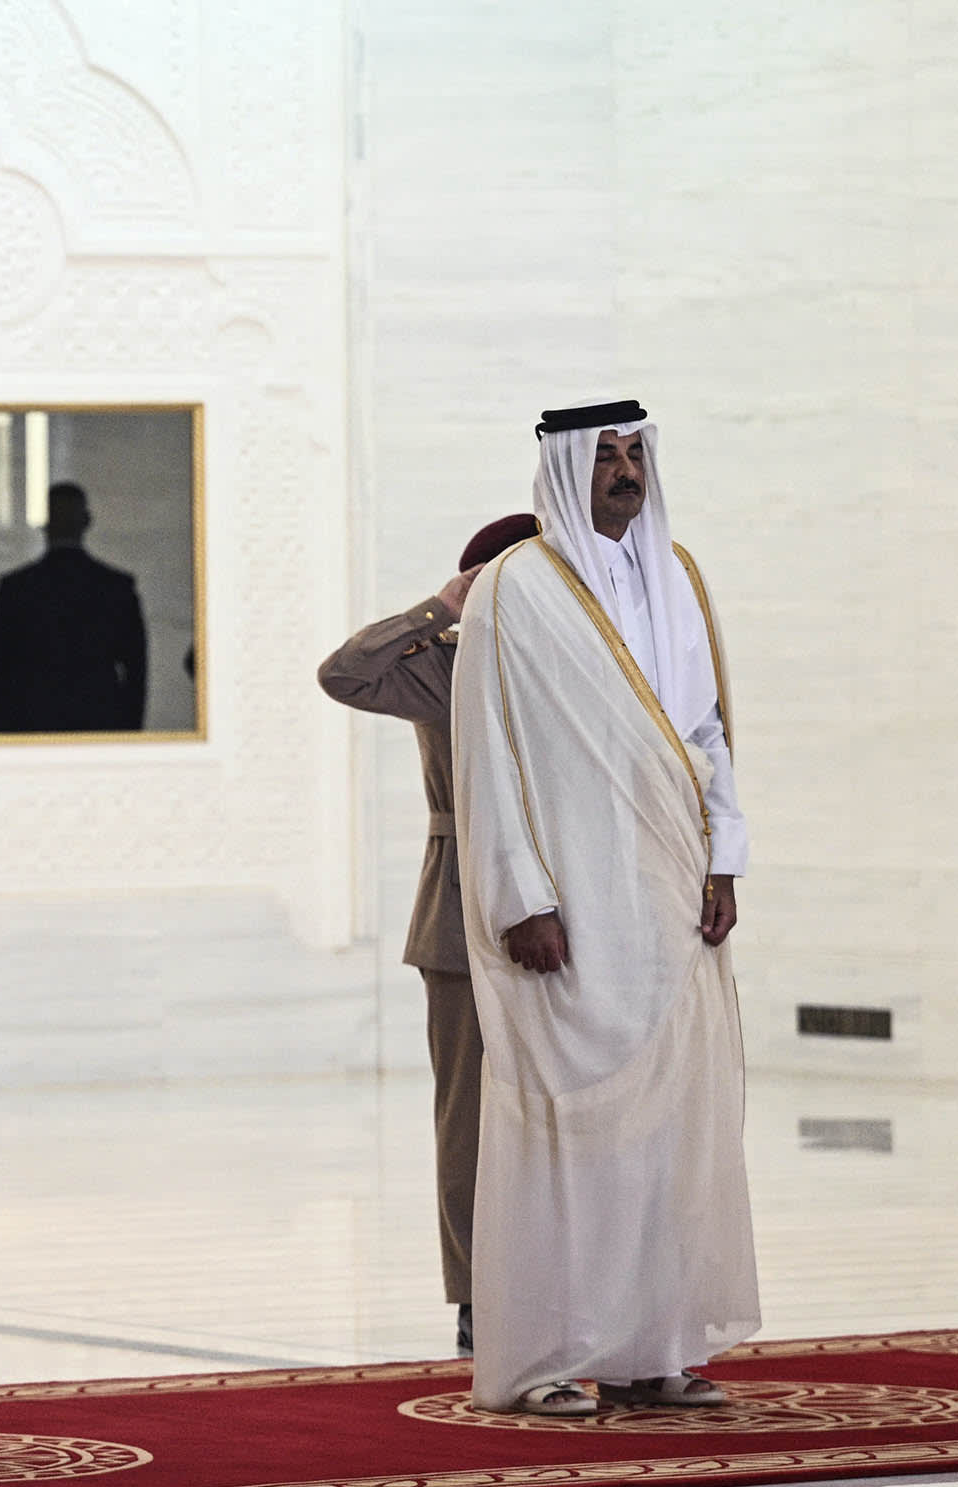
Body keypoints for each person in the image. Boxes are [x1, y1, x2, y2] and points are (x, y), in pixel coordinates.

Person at [453, 400, 755, 1416]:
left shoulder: (679, 577)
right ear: (564, 467)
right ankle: (541, 1355)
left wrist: (723, 859)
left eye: (635, 454)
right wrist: (520, 895)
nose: (625, 471)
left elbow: (706, 734)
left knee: (669, 1123)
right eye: (605, 457)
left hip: (669, 889)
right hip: (568, 896)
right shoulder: (513, 590)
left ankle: (649, 1348)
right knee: (565, 1124)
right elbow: (487, 752)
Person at [317, 512, 536, 1356]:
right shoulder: (445, 666)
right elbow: (344, 673)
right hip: (459, 908)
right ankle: (477, 1291)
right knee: (468, 1118)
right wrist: (438, 608)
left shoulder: (571, 665)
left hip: (574, 910)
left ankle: (565, 1281)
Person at [0, 482, 148, 731]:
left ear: (46, 525)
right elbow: (136, 670)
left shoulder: (15, 588)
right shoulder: (116, 587)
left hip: (31, 722)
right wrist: (129, 730)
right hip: (99, 722)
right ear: (86, 522)